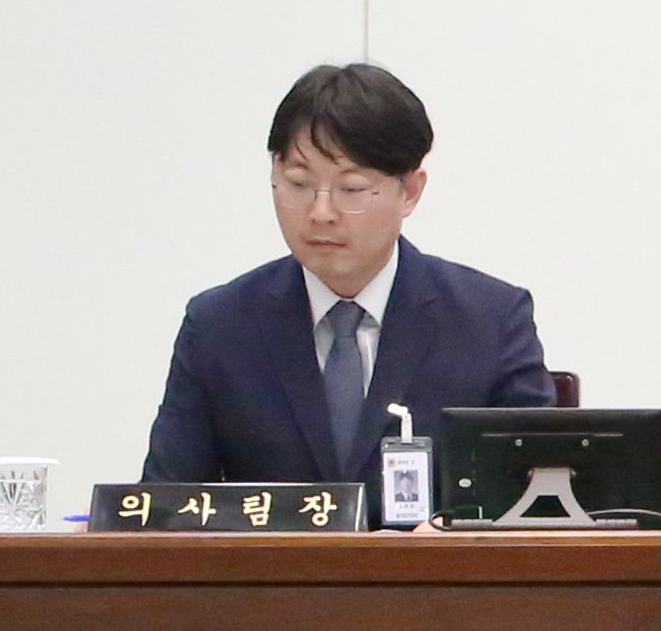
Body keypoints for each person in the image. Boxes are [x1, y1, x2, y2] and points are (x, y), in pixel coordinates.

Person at [140, 64, 552, 485]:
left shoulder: (490, 322)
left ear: (410, 191)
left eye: (351, 189)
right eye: (298, 184)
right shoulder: (219, 327)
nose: (321, 213)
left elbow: (537, 496)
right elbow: (165, 503)